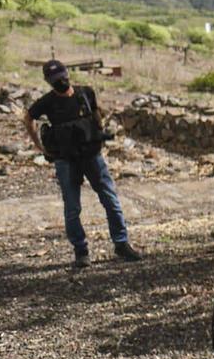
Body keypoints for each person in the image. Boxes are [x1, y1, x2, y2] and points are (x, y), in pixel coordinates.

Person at [25, 60, 140, 268]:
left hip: (91, 156)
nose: (60, 81)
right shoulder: (47, 102)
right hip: (66, 160)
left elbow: (96, 114)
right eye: (54, 79)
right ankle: (81, 251)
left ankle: (121, 244)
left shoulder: (85, 93)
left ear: (67, 73)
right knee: (72, 208)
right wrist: (39, 146)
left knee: (110, 199)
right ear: (47, 81)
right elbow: (28, 117)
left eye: (61, 75)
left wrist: (96, 132)